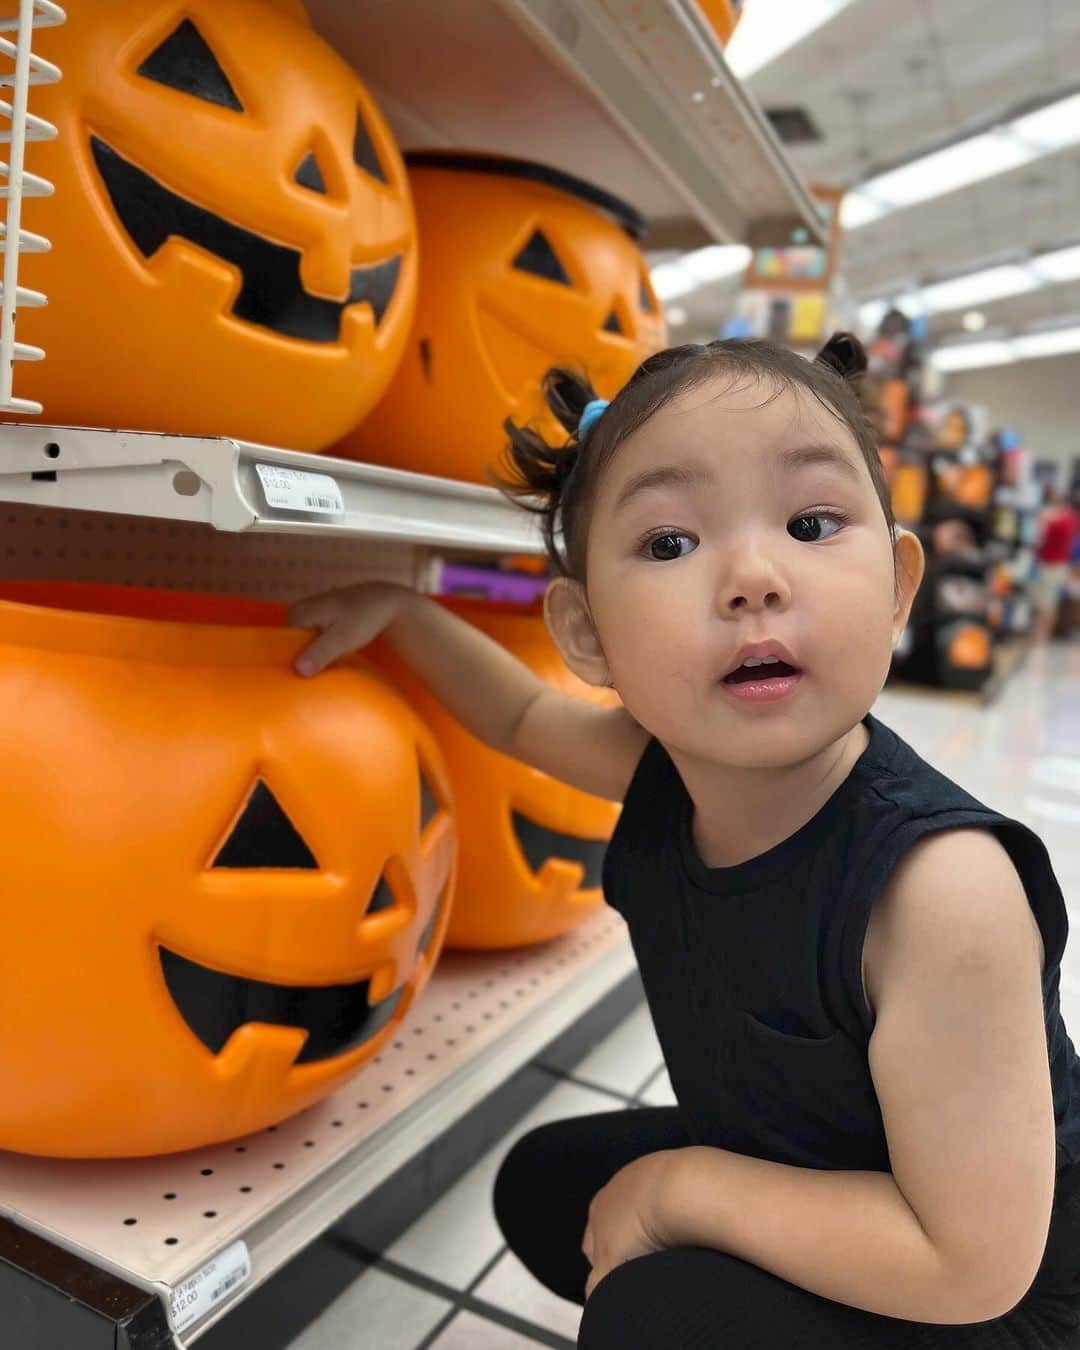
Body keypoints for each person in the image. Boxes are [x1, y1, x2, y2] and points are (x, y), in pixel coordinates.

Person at [288, 335, 1080, 1348]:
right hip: (833, 1177)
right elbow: (523, 720)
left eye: (810, 522)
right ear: (588, 637)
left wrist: (680, 1190)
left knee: (646, 1314)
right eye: (670, 544)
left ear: (895, 585)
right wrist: (400, 614)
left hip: (996, 1301)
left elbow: (973, 1266)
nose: (753, 577)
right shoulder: (672, 774)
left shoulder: (940, 892)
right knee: (549, 1193)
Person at [1033, 489, 1080, 640]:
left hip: (1052, 565)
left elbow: (1042, 539)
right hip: (1059, 564)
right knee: (1049, 600)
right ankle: (1043, 632)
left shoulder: (1061, 521)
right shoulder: (1072, 520)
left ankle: (1042, 633)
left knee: (1047, 602)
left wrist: (1045, 520)